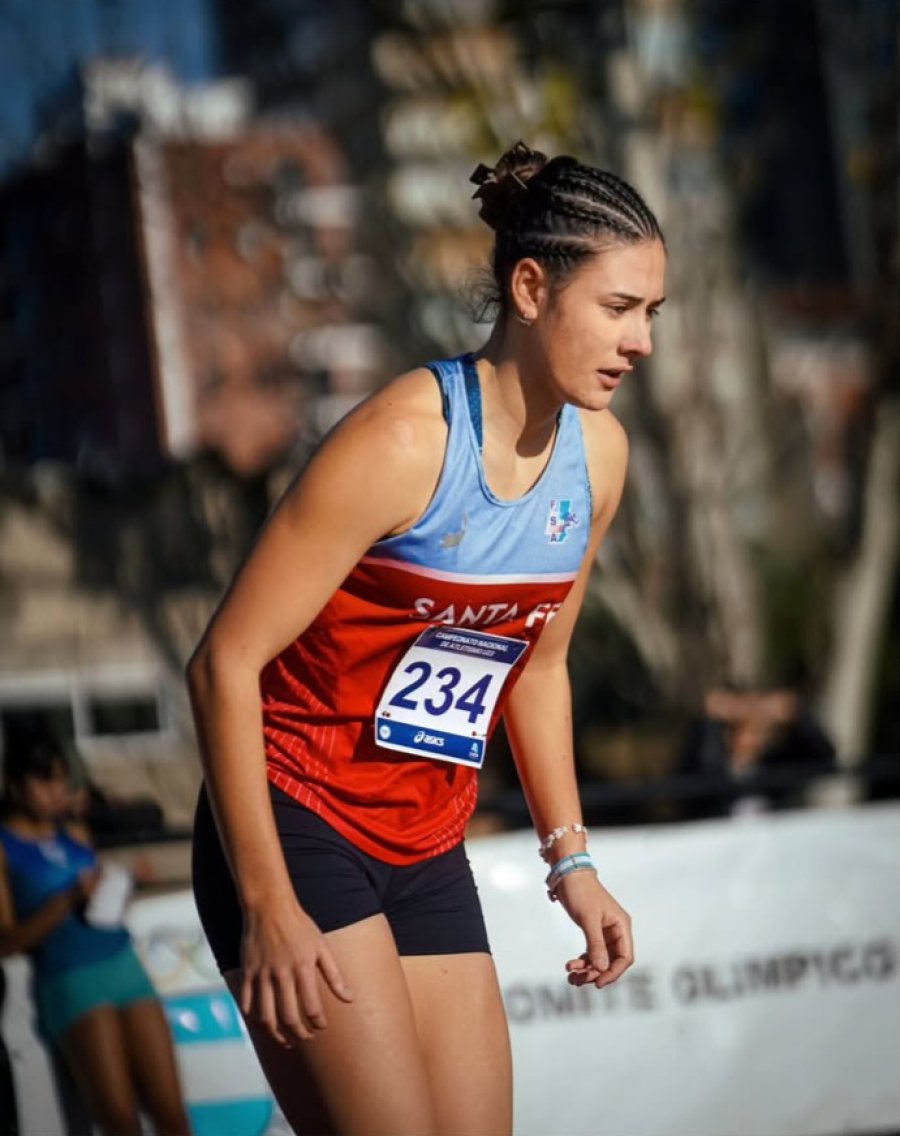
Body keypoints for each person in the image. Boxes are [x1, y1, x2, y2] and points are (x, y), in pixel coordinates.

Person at [188, 139, 667, 1136]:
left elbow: (537, 668)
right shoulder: (406, 439)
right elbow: (223, 663)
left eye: (653, 313)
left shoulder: (602, 461)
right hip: (298, 818)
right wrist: (266, 901)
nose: (644, 342)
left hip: (425, 832)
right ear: (531, 288)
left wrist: (571, 861)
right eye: (620, 309)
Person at [0, 730, 190, 1136]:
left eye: (60, 781)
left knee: (172, 1115)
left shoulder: (76, 834)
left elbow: (144, 814)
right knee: (120, 1121)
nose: (54, 793)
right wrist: (66, 900)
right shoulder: (5, 846)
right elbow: (7, 940)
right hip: (73, 979)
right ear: (16, 785)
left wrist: (121, 886)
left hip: (123, 965)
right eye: (43, 782)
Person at [678, 685, 836, 818]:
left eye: (762, 730)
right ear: (730, 735)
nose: (757, 738)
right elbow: (682, 782)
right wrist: (708, 721)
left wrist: (799, 715)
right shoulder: (709, 766)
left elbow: (825, 761)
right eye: (749, 730)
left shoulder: (776, 769)